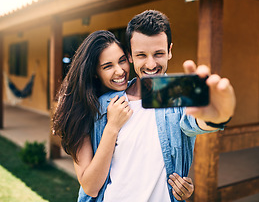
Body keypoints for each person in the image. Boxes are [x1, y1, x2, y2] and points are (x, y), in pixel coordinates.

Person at [77, 10, 236, 202]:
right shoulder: (106, 104)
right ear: (129, 55)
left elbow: (195, 121)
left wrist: (219, 116)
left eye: (158, 53)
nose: (151, 64)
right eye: (141, 55)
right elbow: (92, 179)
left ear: (169, 51)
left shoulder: (179, 93)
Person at [52, 30, 194, 202]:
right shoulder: (82, 112)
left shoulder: (154, 93)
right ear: (94, 72)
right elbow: (90, 186)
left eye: (122, 61)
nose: (120, 71)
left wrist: (180, 189)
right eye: (108, 66)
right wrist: (112, 127)